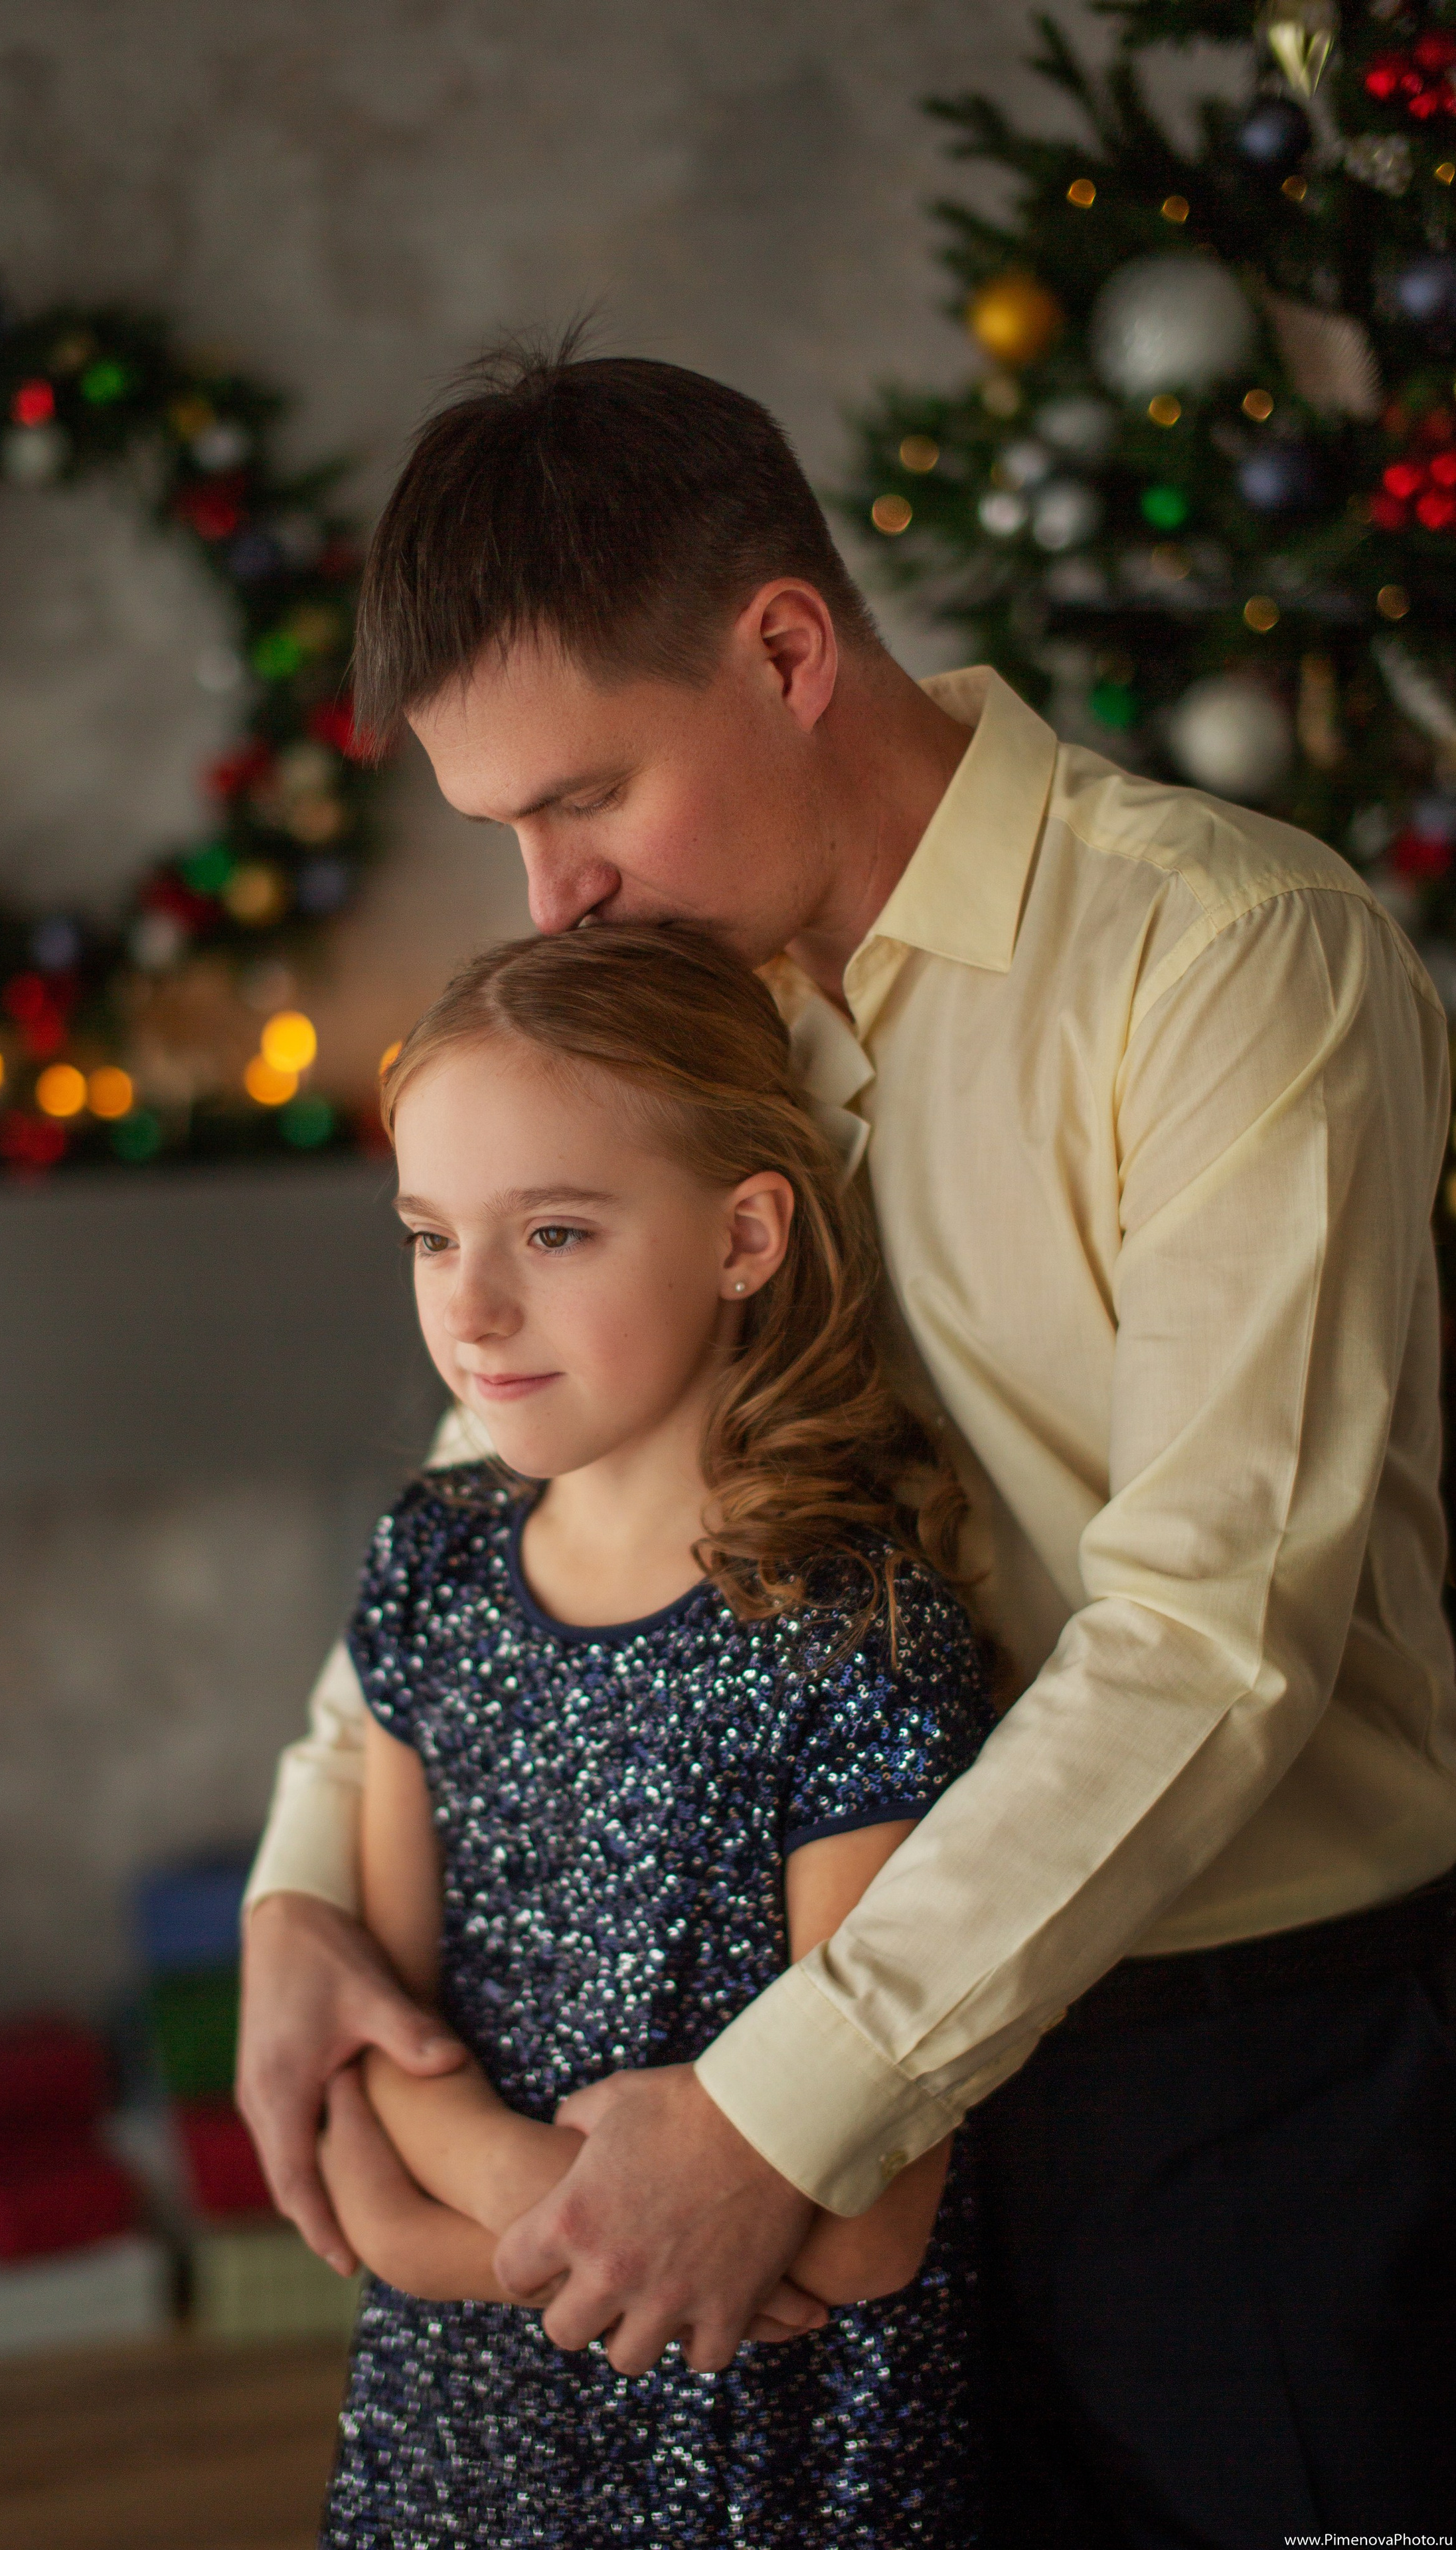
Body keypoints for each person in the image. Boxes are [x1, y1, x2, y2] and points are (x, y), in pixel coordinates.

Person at [240, 341, 1456, 2543]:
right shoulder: (680, 1010)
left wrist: (772, 2120)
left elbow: (1211, 1640)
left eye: (582, 799)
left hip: (1238, 2080)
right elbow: (520, 1445)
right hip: (828, 2067)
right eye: (503, 832)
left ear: (785, 648)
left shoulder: (1229, 961)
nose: (550, 897)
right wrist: (304, 1882)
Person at [313, 920, 997, 2545]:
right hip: (459, 2431)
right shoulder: (430, 1563)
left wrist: (450, 2230)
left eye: (551, 1233)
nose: (470, 1308)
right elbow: (380, 2036)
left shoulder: (855, 1630)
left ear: (744, 1234)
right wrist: (517, 2209)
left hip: (768, 2459)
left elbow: (860, 2239)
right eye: (427, 1237)